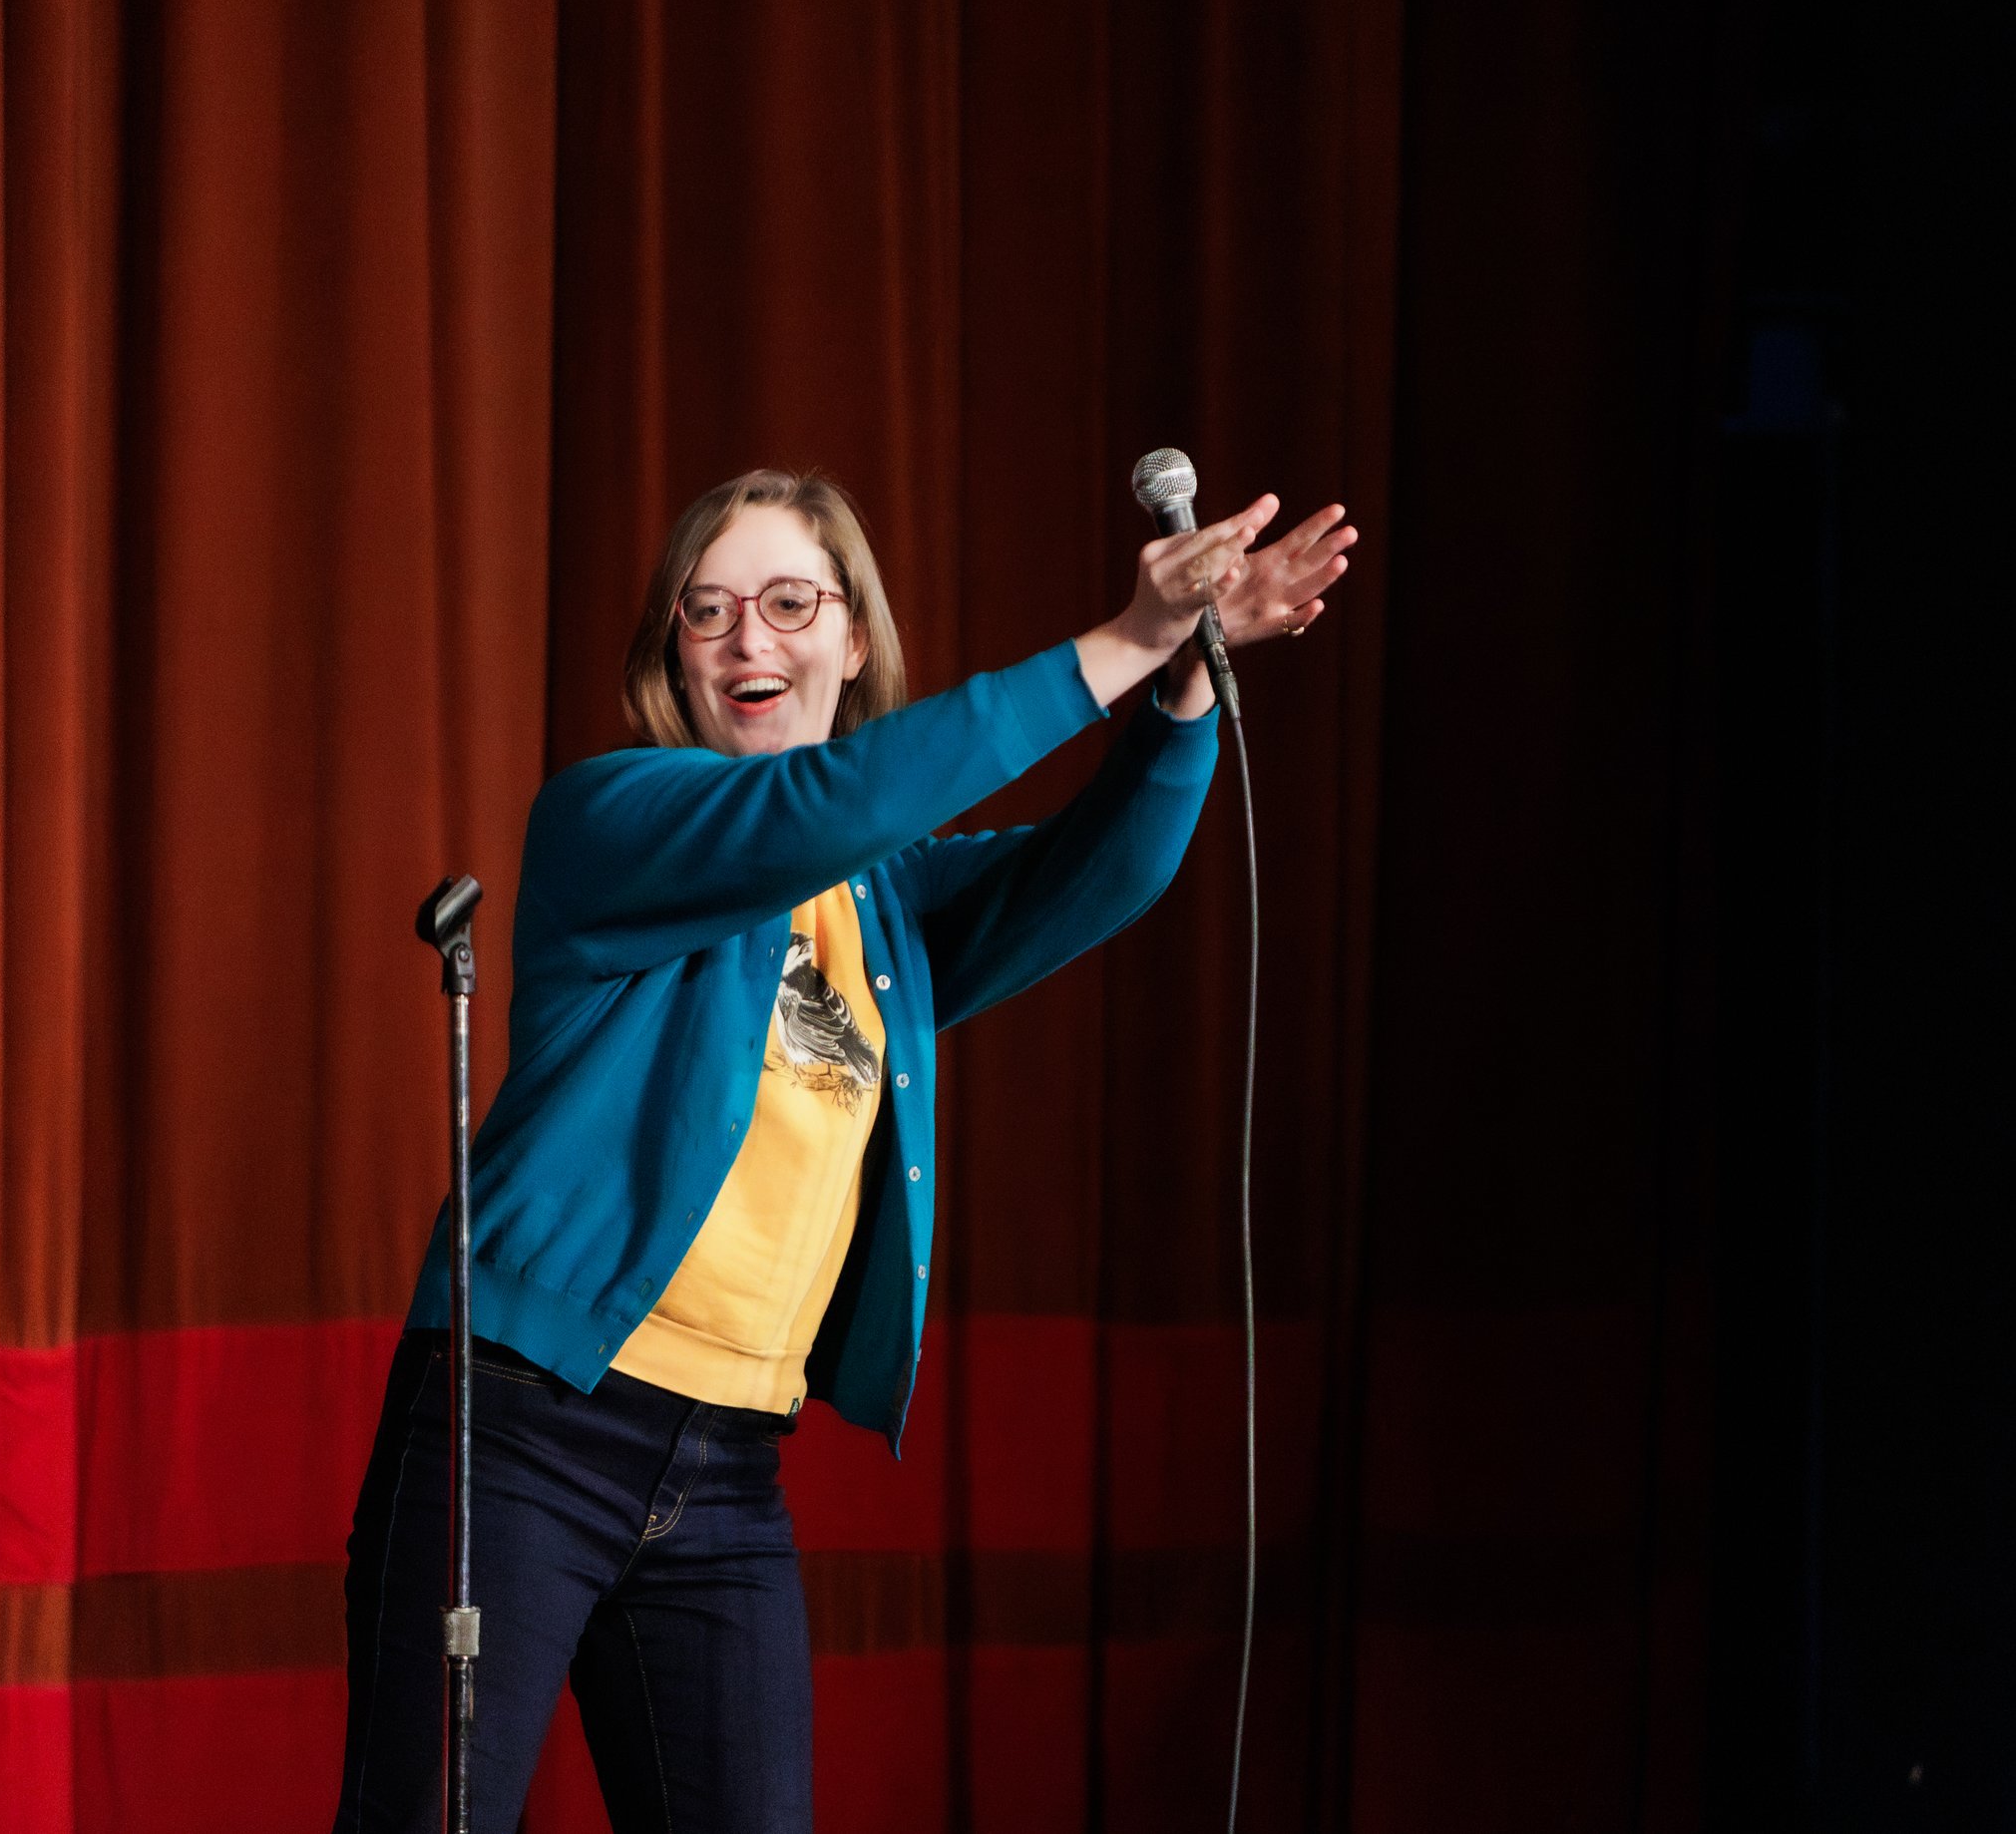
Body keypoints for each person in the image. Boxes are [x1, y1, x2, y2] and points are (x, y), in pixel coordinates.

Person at [331, 468, 1356, 1834]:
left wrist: (1178, 690)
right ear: (672, 661)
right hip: (518, 1432)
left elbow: (1093, 872)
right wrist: (1125, 640)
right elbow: (813, 808)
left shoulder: (884, 904)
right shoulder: (615, 819)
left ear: (853, 640)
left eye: (788, 602)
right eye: (707, 614)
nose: (748, 639)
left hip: (724, 1471)